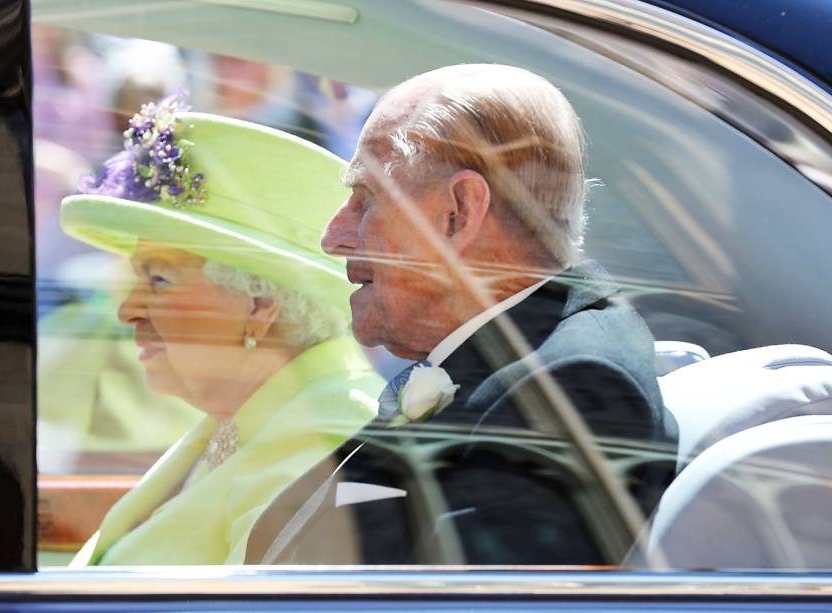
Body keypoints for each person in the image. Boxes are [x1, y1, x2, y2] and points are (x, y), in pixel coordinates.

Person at [244, 64, 677, 565]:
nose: (333, 237)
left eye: (366, 199)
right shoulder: (512, 356)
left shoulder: (570, 390)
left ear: (459, 213)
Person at [57, 94, 383, 565]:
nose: (128, 309)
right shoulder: (244, 417)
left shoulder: (325, 440)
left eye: (159, 279)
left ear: (260, 304)